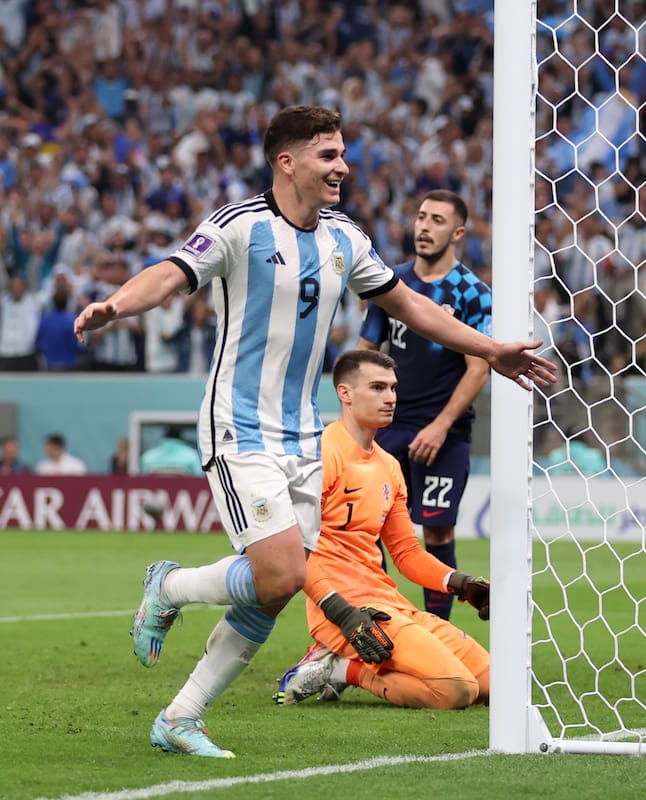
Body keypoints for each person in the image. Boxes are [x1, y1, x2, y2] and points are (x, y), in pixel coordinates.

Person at [74, 105, 554, 758]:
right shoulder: (237, 228)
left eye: (343, 153)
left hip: (302, 436)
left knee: (276, 588)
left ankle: (180, 717)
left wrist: (491, 349)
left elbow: (410, 305)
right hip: (239, 428)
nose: (343, 167)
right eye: (328, 156)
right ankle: (170, 588)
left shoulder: (344, 240)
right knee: (280, 574)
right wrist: (116, 304)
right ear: (287, 162)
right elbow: (168, 273)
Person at [273, 349, 489, 708]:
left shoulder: (389, 466)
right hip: (345, 613)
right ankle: (340, 669)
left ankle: (348, 664)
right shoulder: (320, 455)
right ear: (345, 393)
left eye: (392, 388)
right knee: (457, 691)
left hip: (389, 604)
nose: (390, 398)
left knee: (493, 686)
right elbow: (297, 551)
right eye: (377, 387)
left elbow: (407, 554)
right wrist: (341, 613)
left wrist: (461, 583)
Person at [357, 189, 489, 620]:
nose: (424, 227)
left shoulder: (473, 293)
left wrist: (439, 425)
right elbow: (364, 352)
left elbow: (478, 367)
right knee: (367, 527)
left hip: (444, 433)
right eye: (420, 216)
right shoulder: (390, 282)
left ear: (457, 233)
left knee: (436, 528)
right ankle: (376, 622)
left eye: (436, 220)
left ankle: (438, 633)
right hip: (389, 429)